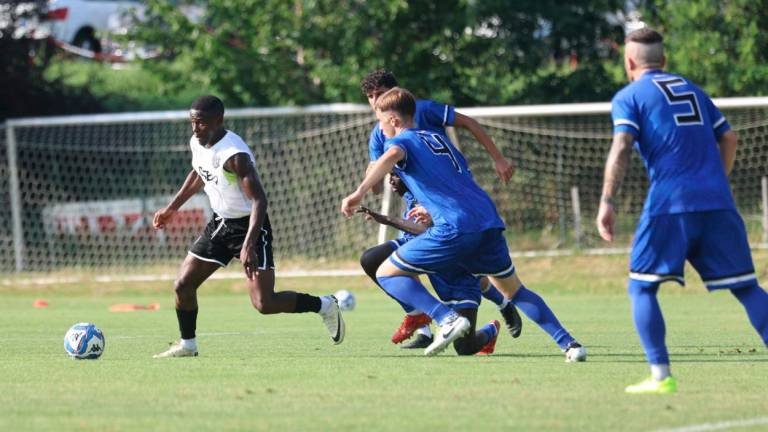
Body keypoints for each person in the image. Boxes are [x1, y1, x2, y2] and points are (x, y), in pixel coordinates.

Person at [342, 87, 586, 359]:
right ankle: (570, 345)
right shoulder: (437, 138)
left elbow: (391, 155)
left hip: (455, 227)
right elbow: (454, 178)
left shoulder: (399, 142)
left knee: (386, 273)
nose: (380, 127)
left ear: (395, 121)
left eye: (381, 121)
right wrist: (431, 206)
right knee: (515, 290)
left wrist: (358, 192)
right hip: (487, 220)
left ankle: (444, 318)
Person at [597, 28, 768, 394]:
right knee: (747, 288)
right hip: (718, 201)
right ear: (664, 60)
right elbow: (730, 137)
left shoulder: (629, 96)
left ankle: (661, 376)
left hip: (670, 203)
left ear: (629, 62)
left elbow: (623, 146)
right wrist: (715, 180)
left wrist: (607, 200)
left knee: (641, 288)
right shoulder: (693, 89)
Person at [152, 95, 344, 358]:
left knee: (264, 303)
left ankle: (324, 305)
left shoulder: (235, 155)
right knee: (183, 285)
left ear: (218, 121)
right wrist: (172, 208)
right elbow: (198, 172)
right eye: (192, 122)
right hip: (221, 224)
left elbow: (259, 200)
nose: (195, 129)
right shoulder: (197, 142)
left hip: (251, 226)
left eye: (201, 123)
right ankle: (188, 344)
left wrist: (249, 244)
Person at [359, 70, 521, 346]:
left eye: (380, 94)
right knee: (375, 261)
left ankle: (497, 303)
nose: (375, 101)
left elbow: (468, 122)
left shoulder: (423, 110)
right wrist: (374, 178)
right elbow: (379, 176)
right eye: (370, 97)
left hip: (448, 207)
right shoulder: (380, 132)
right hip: (418, 214)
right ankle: (421, 318)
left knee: (464, 334)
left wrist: (498, 158)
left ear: (395, 92)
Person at [359, 172, 518, 354]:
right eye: (390, 174)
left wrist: (386, 219)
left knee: (465, 348)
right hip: (419, 251)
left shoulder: (433, 191)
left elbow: (429, 233)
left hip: (454, 271)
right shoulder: (411, 189)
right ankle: (417, 315)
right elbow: (377, 188)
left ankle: (493, 325)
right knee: (372, 259)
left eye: (395, 175)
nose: (391, 180)